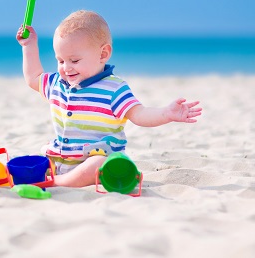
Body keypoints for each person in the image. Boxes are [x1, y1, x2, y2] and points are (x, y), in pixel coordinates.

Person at [16, 10, 202, 187]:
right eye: (61, 60)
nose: (66, 67)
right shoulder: (57, 83)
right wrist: (29, 46)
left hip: (95, 160)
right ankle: (54, 177)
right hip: (60, 158)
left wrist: (165, 113)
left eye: (74, 60)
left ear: (103, 54)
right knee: (33, 161)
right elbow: (33, 77)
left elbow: (139, 114)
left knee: (98, 164)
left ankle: (59, 183)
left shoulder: (113, 88)